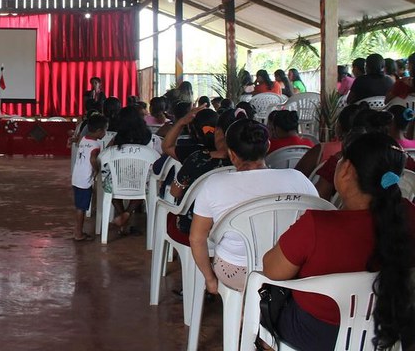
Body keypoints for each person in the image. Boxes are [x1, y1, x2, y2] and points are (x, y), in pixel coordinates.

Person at [261, 133, 415, 350]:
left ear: (347, 170)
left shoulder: (317, 225)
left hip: (317, 334)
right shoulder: (409, 214)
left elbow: (272, 271)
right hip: (387, 328)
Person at [189, 119, 317, 293]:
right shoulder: (298, 179)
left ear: (231, 154)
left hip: (236, 271)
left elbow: (196, 239)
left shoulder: (214, 185)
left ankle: (242, 312)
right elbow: (316, 223)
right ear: (268, 146)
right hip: (289, 269)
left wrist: (210, 280)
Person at [165, 109, 236, 247]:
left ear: (217, 132)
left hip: (195, 227)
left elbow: (174, 192)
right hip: (235, 225)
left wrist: (180, 122)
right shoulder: (247, 163)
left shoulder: (196, 159)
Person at [100, 105, 152, 235]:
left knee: (108, 184)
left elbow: (104, 155)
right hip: (140, 181)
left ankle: (121, 213)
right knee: (146, 185)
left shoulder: (118, 138)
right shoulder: (148, 136)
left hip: (118, 180)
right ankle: (127, 213)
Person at [71, 113, 107, 241]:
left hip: (77, 176)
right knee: (82, 207)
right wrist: (97, 169)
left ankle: (77, 231)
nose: (105, 133)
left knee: (79, 206)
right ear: (98, 131)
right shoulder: (96, 145)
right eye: (105, 130)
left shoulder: (84, 139)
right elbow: (92, 159)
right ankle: (78, 233)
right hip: (85, 179)